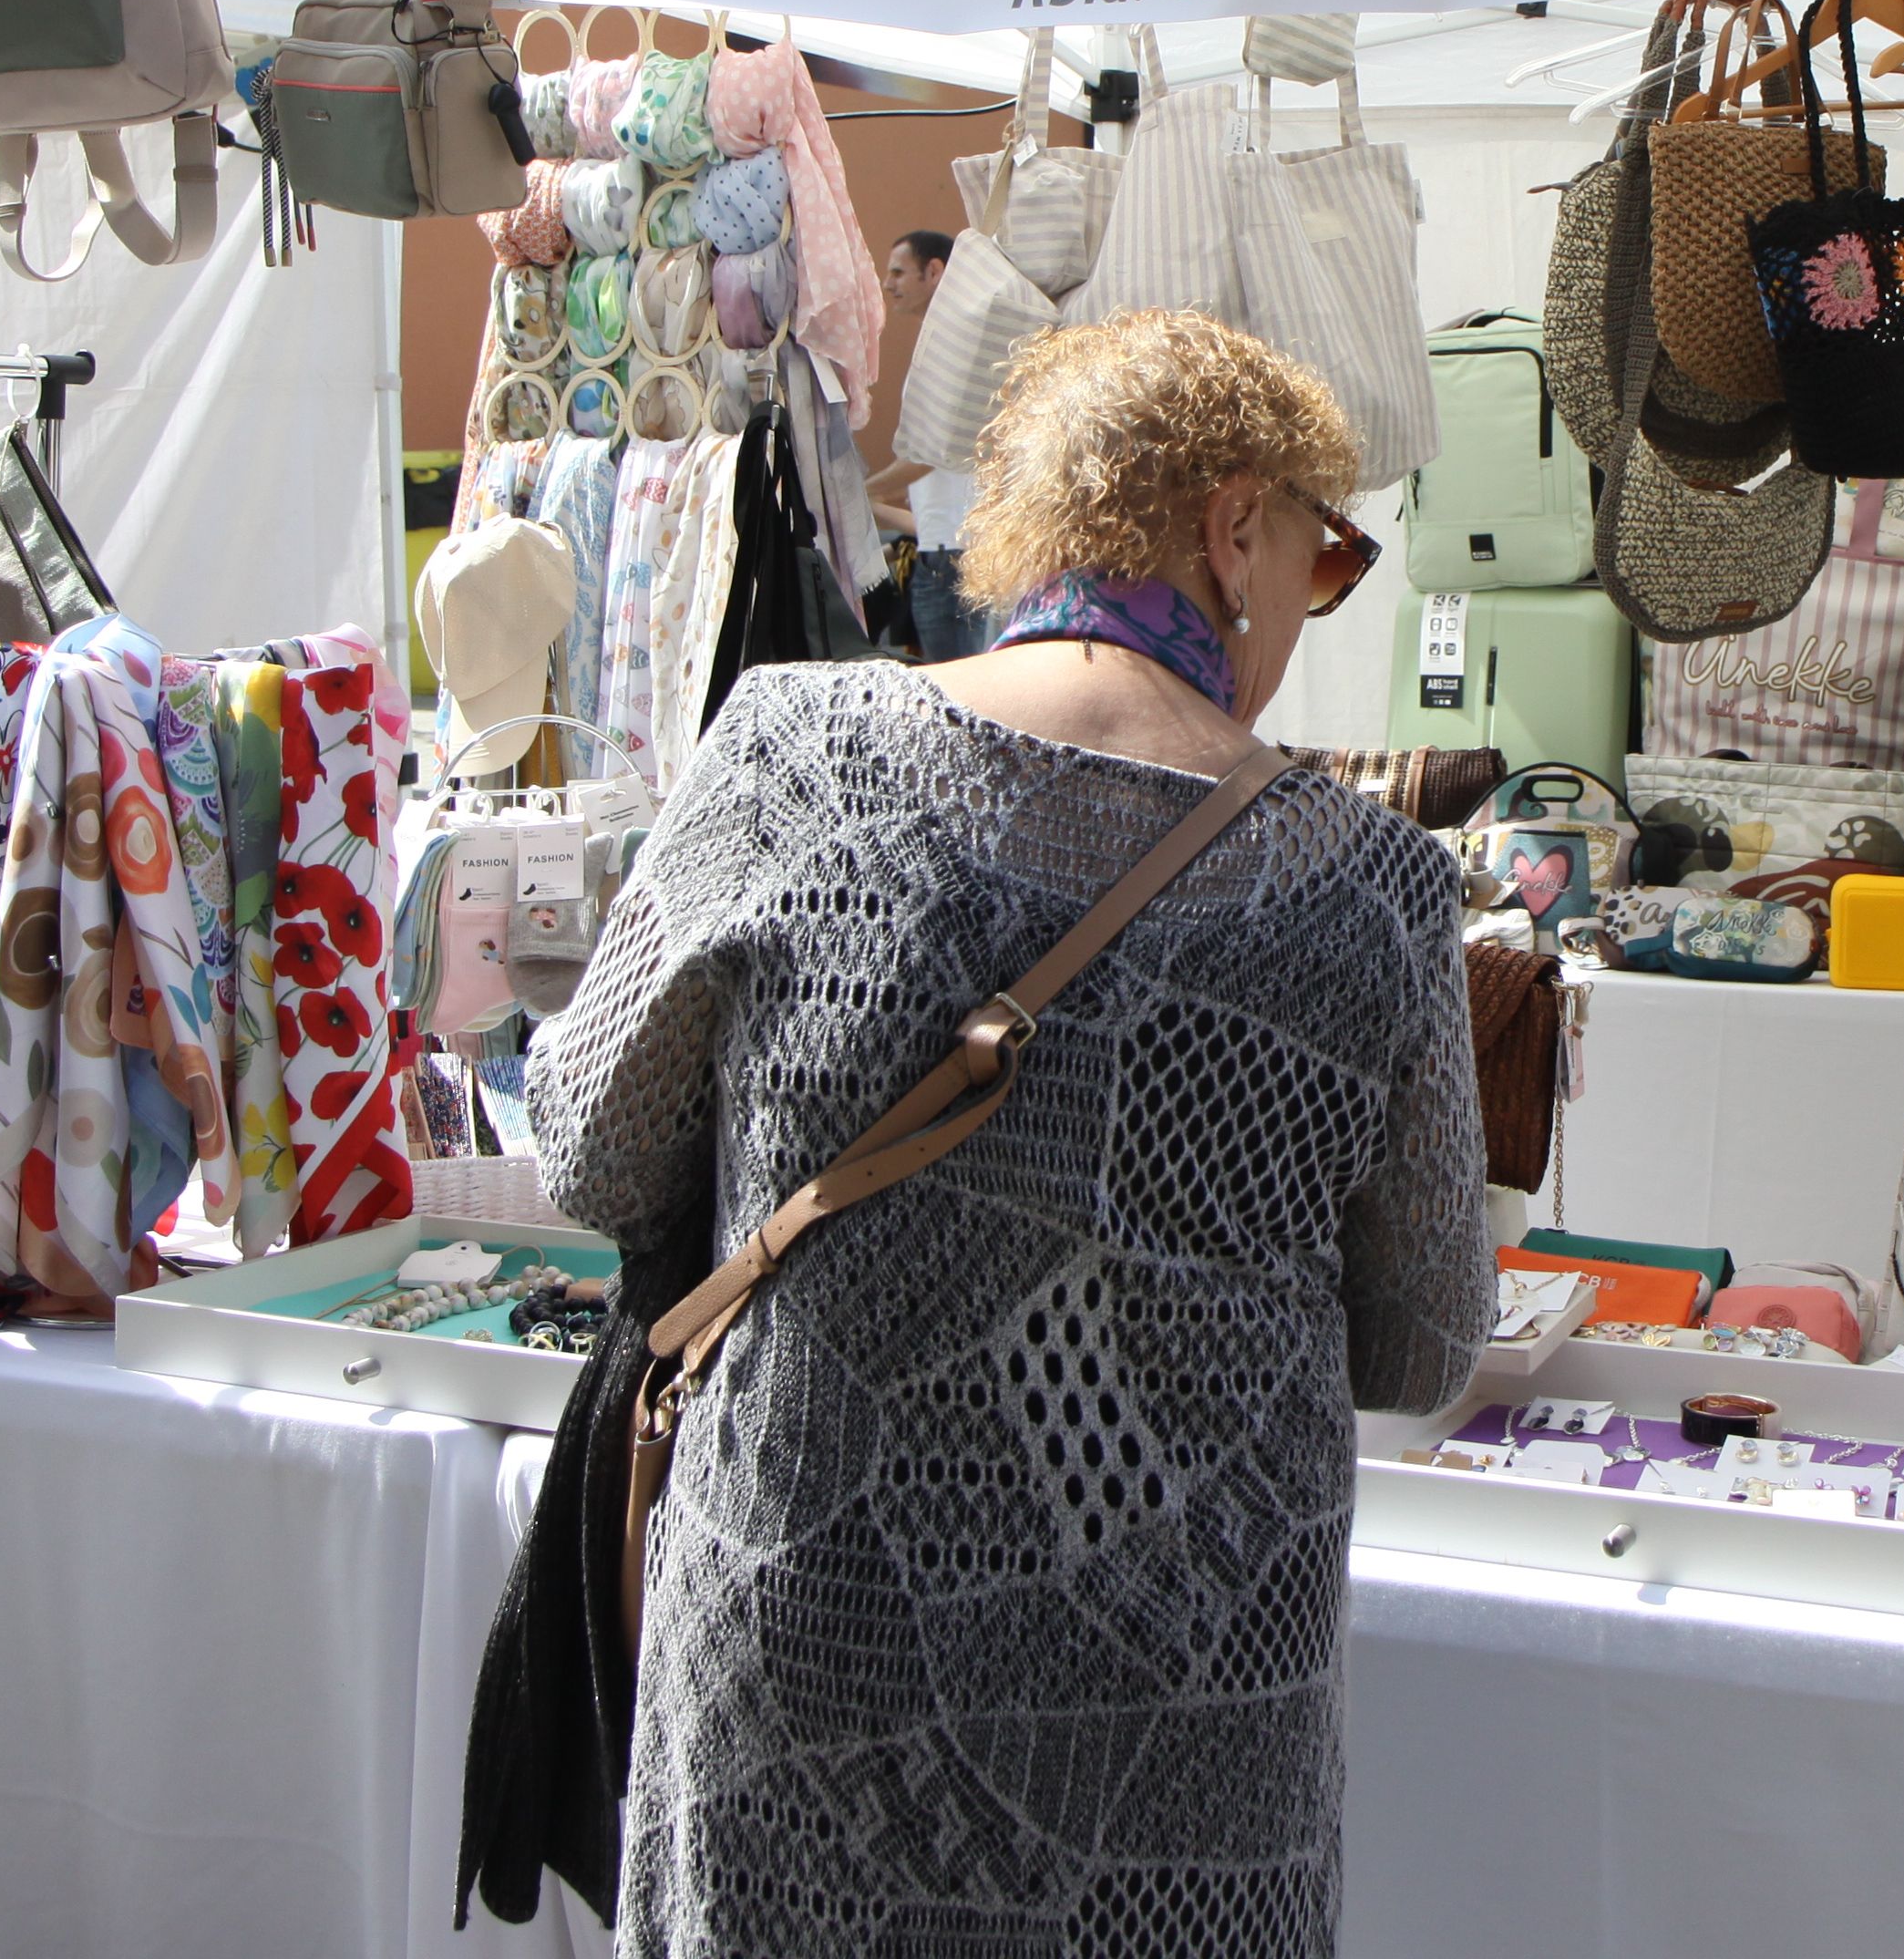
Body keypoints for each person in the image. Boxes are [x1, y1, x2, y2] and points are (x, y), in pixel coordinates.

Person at [531, 305, 1485, 1959]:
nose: (1304, 611)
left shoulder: (786, 750)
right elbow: (1419, 1340)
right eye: (1319, 562)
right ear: (1230, 522)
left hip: (805, 1674)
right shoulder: (1377, 887)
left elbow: (593, 1154)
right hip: (1179, 1741)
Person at [869, 230, 987, 659]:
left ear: (934, 272)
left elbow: (931, 451)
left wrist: (864, 491)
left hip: (968, 559)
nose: (887, 284)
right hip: (936, 555)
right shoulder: (935, 343)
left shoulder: (959, 342)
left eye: (899, 272)